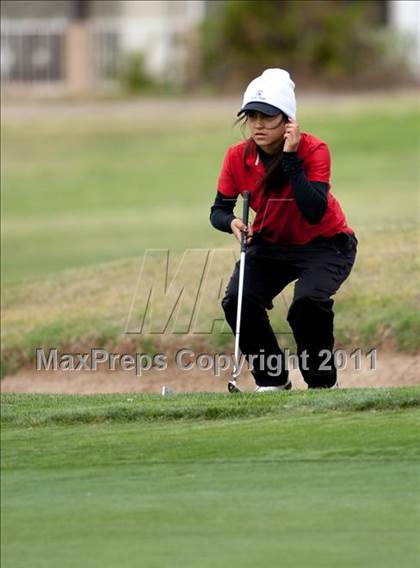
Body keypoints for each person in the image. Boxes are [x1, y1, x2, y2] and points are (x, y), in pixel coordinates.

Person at [210, 68, 357, 391]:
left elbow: (314, 209)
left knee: (307, 304)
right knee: (238, 300)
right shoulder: (237, 157)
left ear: (288, 120)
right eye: (252, 117)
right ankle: (272, 381)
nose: (258, 125)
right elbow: (218, 211)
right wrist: (232, 222)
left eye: (268, 117)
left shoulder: (314, 150)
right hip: (271, 243)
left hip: (325, 243)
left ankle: (321, 385)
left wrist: (290, 159)